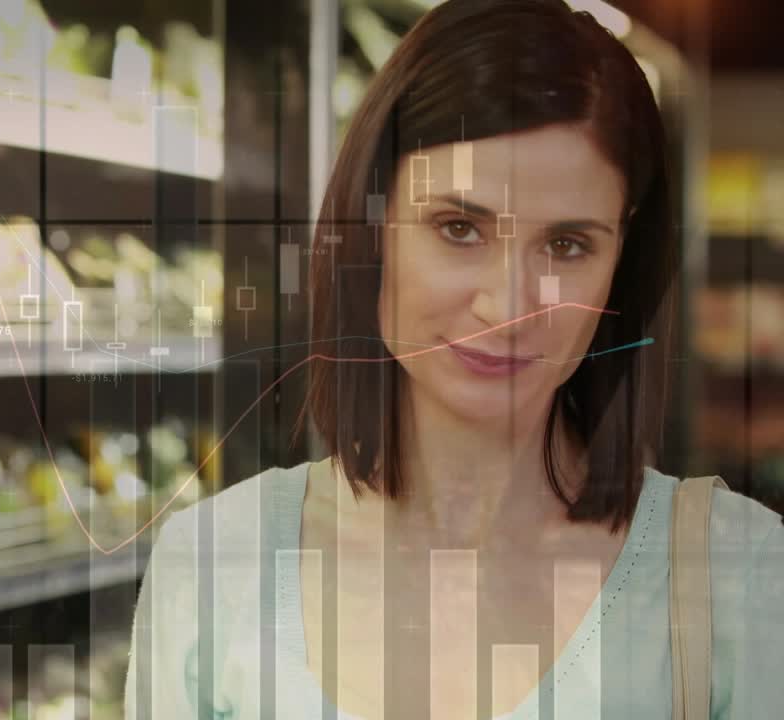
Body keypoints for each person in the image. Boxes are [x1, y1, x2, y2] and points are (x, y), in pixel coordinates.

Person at [124, 0, 784, 718]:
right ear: (370, 231)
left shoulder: (736, 574)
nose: (508, 307)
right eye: (459, 227)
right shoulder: (214, 563)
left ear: (622, 271)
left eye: (567, 245)